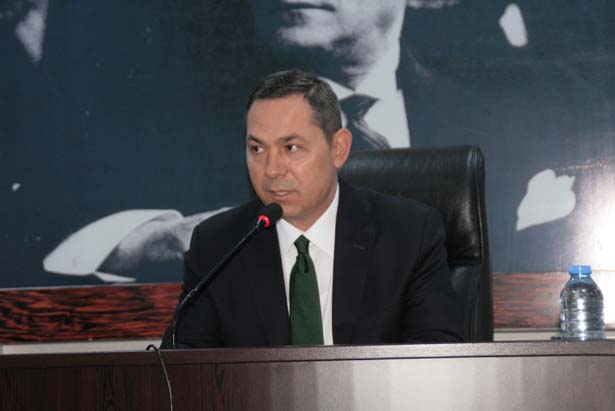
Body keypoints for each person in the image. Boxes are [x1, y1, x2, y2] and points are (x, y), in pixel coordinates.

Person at [161, 70, 464, 348]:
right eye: (257, 149)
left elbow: (438, 359)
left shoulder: (409, 235)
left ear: (338, 148)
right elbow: (180, 369)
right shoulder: (218, 246)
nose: (272, 169)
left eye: (291, 148)